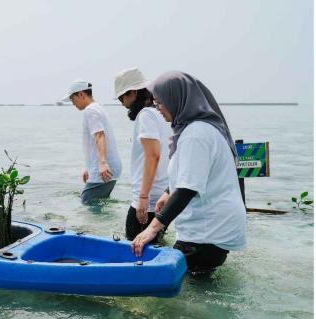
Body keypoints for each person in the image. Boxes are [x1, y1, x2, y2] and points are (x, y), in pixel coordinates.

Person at [131, 71, 246, 274]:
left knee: (175, 293)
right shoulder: (197, 129)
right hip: (211, 228)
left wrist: (152, 227)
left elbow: (187, 188)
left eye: (160, 102)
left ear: (178, 100)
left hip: (207, 232)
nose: (157, 108)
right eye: (155, 102)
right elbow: (191, 171)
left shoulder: (196, 134)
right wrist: (168, 192)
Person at [113, 68, 172, 242]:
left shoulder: (146, 115)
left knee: (133, 248)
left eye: (121, 97)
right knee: (154, 247)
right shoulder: (160, 113)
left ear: (132, 92)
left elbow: (153, 155)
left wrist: (143, 197)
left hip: (150, 199)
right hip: (162, 196)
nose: (121, 102)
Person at [60, 79, 122, 204]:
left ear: (81, 94)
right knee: (98, 205)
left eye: (72, 99)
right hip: (109, 168)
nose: (72, 103)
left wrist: (103, 163)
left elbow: (100, 136)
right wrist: (90, 167)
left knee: (87, 204)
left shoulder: (91, 111)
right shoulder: (98, 108)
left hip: (104, 169)